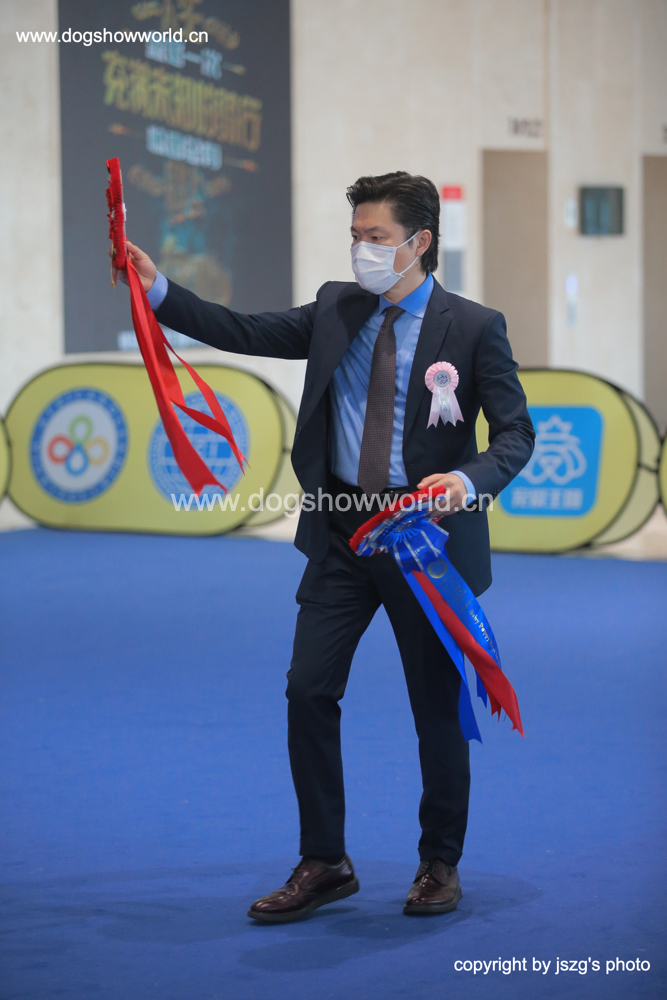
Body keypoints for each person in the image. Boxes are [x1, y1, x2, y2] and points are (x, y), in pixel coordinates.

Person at [117, 171, 534, 922]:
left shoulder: (474, 327)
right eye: (354, 236)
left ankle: (439, 861)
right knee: (307, 690)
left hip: (424, 541)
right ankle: (325, 861)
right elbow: (244, 330)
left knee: (434, 710)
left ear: (420, 242)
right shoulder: (337, 307)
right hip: (341, 534)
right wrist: (158, 290)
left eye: (376, 237)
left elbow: (515, 434)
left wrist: (464, 482)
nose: (361, 249)